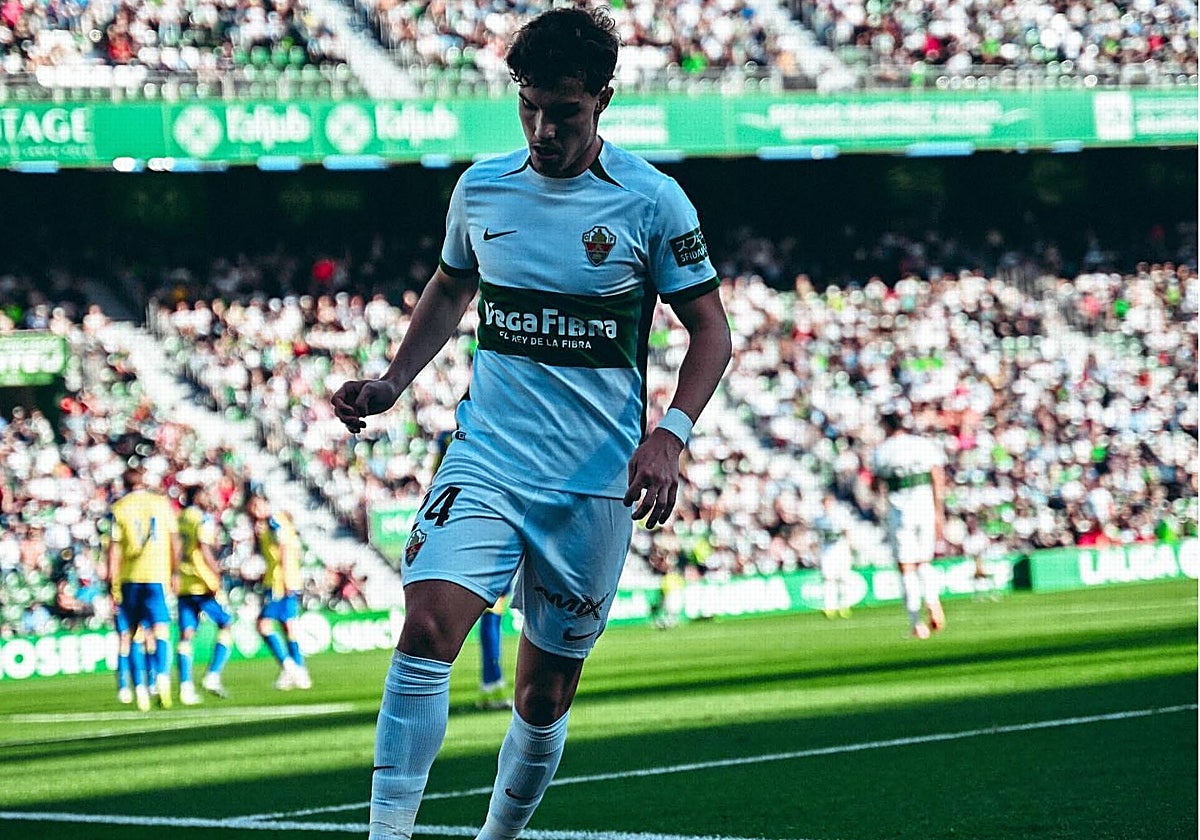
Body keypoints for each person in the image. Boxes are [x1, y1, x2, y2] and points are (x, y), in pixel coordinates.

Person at [331, 8, 732, 839]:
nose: (544, 129)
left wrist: (672, 432)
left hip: (593, 485)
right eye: (531, 107)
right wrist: (392, 383)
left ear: (603, 102)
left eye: (566, 112)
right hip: (488, 462)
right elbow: (451, 288)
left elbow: (712, 331)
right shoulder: (482, 188)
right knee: (425, 630)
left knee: (542, 696)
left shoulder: (653, 202)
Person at [107, 461, 181, 710]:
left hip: (130, 579)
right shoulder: (161, 504)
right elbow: (174, 541)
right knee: (160, 630)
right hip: (156, 576)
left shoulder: (119, 508)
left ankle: (139, 687)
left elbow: (114, 549)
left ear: (124, 485)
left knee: (135, 634)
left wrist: (111, 581)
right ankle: (161, 677)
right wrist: (174, 572)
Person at [871, 407, 947, 639]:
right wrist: (938, 510)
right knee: (924, 562)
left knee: (906, 567)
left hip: (900, 512)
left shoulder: (883, 451)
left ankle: (916, 623)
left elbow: (876, 484)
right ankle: (932, 601)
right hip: (924, 507)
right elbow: (937, 476)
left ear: (886, 427)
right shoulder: (922, 444)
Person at [247, 490, 312, 690]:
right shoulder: (274, 522)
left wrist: (283, 578)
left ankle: (289, 665)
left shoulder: (275, 521)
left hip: (279, 582)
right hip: (284, 579)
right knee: (288, 626)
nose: (255, 512)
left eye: (257, 507)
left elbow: (283, 549)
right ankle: (298, 671)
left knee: (263, 625)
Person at [176, 484, 234, 703]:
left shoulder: (180, 518)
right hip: (202, 583)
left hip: (183, 583)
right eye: (206, 494)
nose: (209, 498)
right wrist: (216, 574)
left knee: (186, 635)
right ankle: (213, 674)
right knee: (226, 623)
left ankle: (185, 687)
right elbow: (204, 549)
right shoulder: (202, 519)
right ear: (197, 497)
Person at [813, 491, 855, 619]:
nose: (827, 505)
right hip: (827, 550)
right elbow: (818, 536)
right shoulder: (818, 519)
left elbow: (847, 531)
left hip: (840, 548)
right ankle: (829, 607)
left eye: (829, 502)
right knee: (828, 578)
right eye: (825, 503)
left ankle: (845, 605)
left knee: (844, 577)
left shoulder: (841, 515)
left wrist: (849, 547)